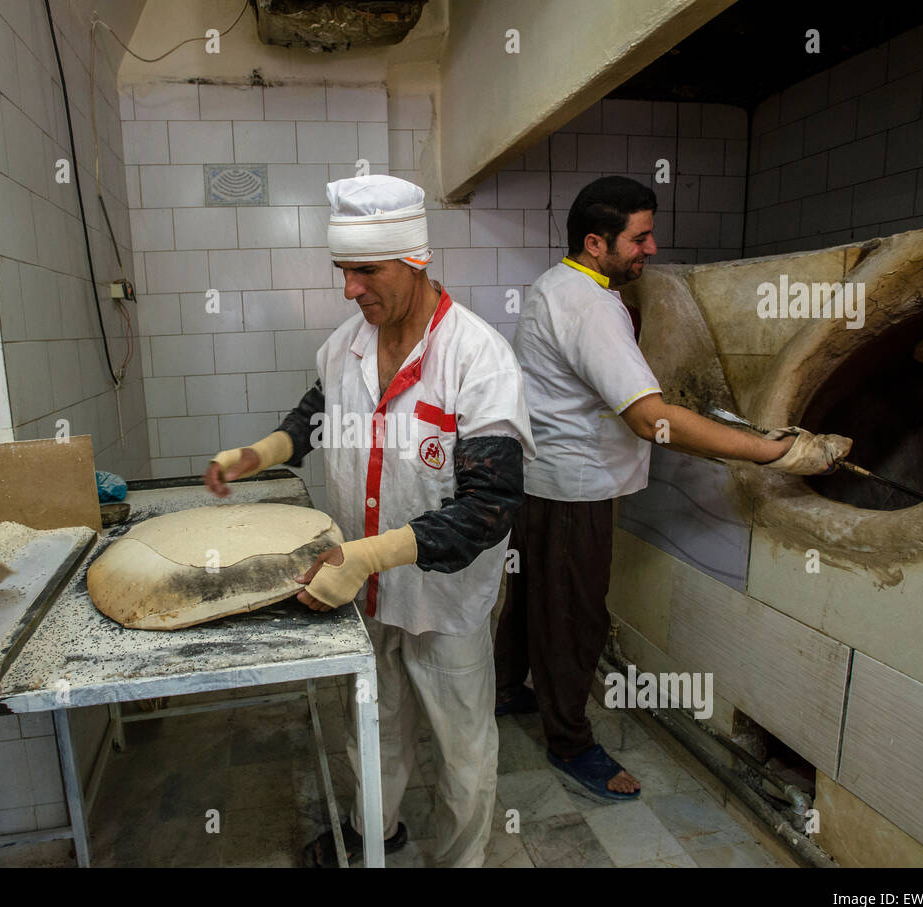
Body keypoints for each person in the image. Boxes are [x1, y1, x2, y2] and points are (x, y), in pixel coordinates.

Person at [204, 175, 534, 867]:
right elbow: (314, 417)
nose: (349, 289)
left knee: (462, 746)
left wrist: (367, 555)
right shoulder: (347, 347)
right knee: (374, 721)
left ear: (414, 260)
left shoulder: (477, 361)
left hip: (445, 599)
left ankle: (461, 862)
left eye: (364, 271)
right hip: (367, 587)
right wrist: (257, 454)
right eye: (342, 272)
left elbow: (490, 506)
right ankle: (372, 835)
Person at [495, 175, 852, 802]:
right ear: (594, 242)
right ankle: (570, 743)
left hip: (541, 481)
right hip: (574, 492)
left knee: (533, 599)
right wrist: (776, 451)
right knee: (574, 618)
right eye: (640, 237)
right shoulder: (591, 305)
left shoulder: (556, 285)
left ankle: (505, 690)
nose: (652, 249)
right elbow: (648, 418)